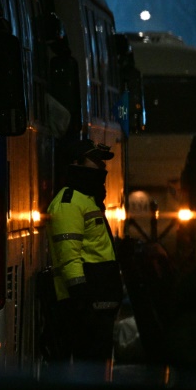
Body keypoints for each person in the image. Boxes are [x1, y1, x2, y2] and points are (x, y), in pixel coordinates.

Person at [45, 139, 124, 371]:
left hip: (97, 306)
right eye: (96, 160)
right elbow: (69, 257)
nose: (102, 167)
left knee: (98, 368)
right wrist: (81, 302)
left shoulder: (86, 200)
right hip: (85, 307)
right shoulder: (68, 203)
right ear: (76, 163)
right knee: (88, 370)